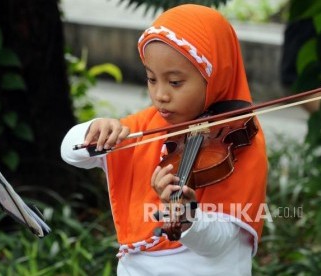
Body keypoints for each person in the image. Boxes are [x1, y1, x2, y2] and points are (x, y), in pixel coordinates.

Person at [61, 4, 268, 275]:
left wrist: (186, 217)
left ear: (215, 76)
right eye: (151, 79)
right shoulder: (147, 126)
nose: (160, 95)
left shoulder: (239, 141)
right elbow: (69, 150)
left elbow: (222, 244)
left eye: (175, 83)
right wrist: (95, 129)